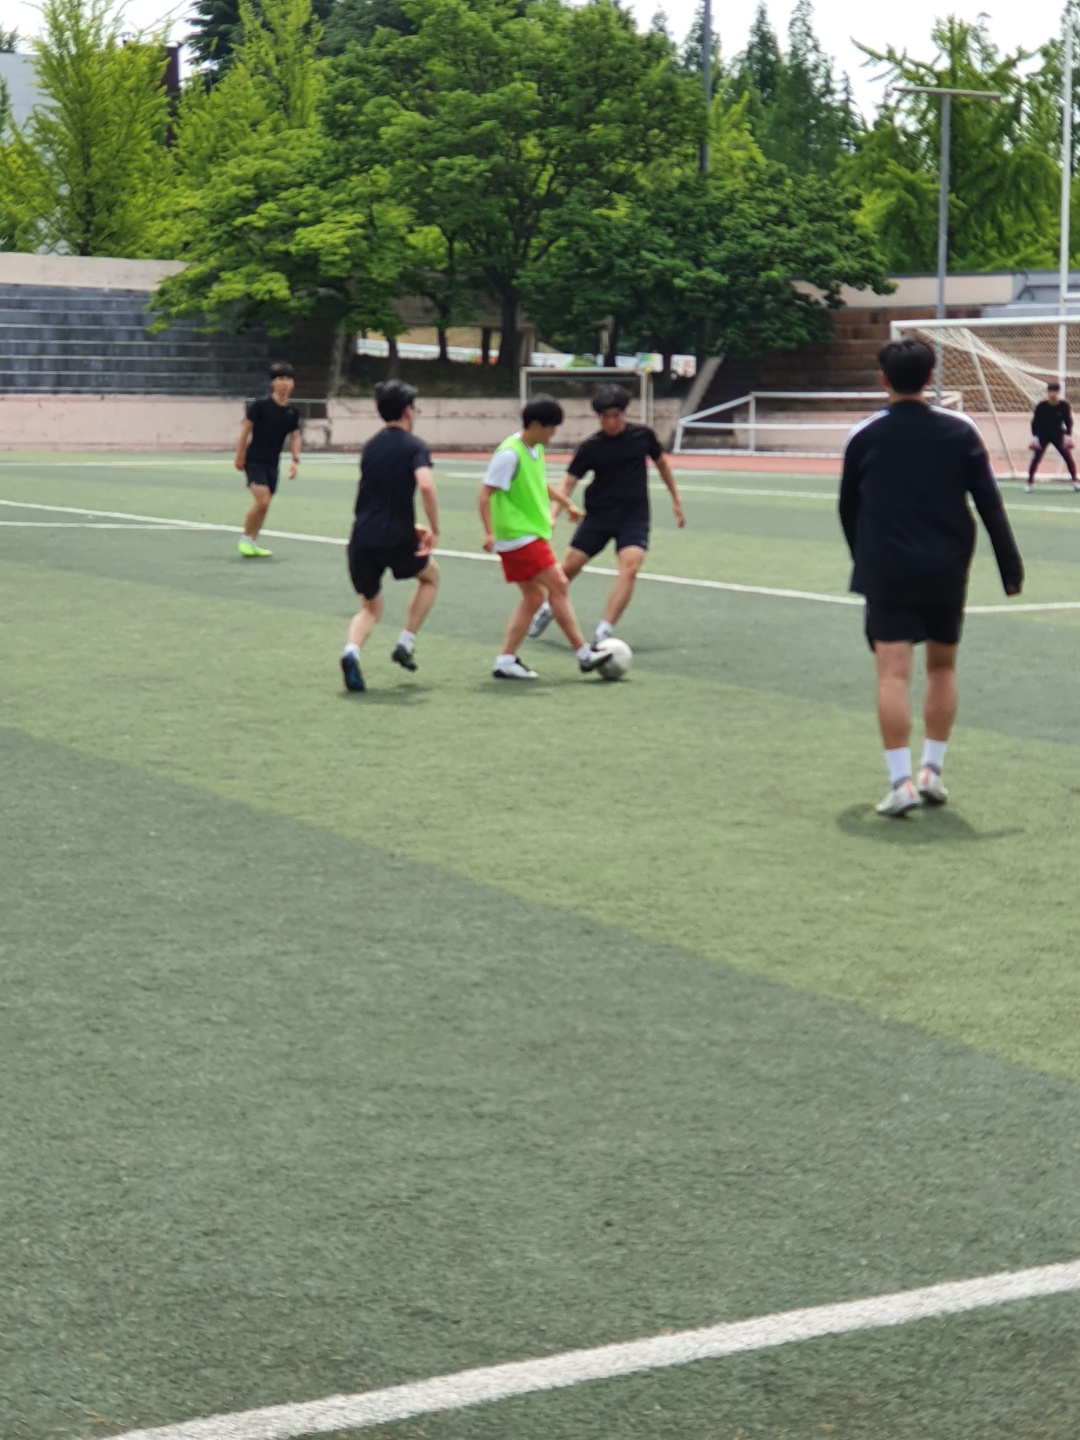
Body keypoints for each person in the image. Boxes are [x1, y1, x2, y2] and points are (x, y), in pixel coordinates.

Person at [839, 338, 1024, 817]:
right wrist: (1010, 568)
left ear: (883, 380)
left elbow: (848, 508)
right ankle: (932, 772)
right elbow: (989, 503)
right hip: (946, 567)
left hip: (888, 570)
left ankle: (900, 782)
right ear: (930, 377)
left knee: (893, 674)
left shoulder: (864, 435)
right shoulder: (960, 431)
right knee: (942, 667)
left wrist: (864, 561)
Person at [527, 385, 685, 644]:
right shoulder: (591, 447)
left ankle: (604, 630)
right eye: (604, 417)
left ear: (624, 413)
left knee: (630, 567)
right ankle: (548, 608)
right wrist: (553, 514)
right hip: (598, 517)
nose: (610, 422)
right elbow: (568, 482)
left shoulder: (643, 436)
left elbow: (662, 464)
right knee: (567, 570)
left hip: (633, 517)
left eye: (615, 416)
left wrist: (675, 500)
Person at [478, 396, 607, 680]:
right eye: (551, 427)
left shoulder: (533, 449)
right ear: (536, 425)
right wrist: (489, 532)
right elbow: (485, 494)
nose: (553, 433)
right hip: (518, 535)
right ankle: (584, 654)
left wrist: (566, 503)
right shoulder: (509, 454)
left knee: (534, 597)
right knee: (559, 584)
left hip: (528, 533)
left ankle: (505, 660)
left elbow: (538, 482)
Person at [340, 380, 440, 693]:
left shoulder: (371, 446)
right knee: (431, 577)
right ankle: (405, 643)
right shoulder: (415, 446)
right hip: (396, 538)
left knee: (370, 608)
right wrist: (434, 528)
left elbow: (378, 496)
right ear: (408, 411)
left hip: (362, 536)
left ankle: (351, 651)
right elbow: (425, 485)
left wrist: (412, 526)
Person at [234, 361, 303, 557]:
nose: (285, 383)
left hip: (273, 463)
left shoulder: (292, 412)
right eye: (280, 379)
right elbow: (245, 430)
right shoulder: (260, 406)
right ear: (273, 382)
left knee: (266, 504)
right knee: (262, 501)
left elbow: (295, 436)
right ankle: (245, 539)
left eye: (288, 379)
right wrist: (240, 456)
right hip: (254, 460)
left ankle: (253, 541)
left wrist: (295, 460)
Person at [1025, 380, 1077, 491]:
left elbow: (1068, 421)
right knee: (1036, 459)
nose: (1053, 394)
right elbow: (1035, 422)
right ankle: (1029, 483)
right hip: (1043, 435)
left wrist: (1068, 436)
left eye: (1055, 391)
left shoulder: (1064, 406)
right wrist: (1035, 437)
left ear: (1058, 392)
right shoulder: (1041, 406)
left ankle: (1075, 481)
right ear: (1048, 392)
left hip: (1058, 435)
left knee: (1068, 458)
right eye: (1051, 391)